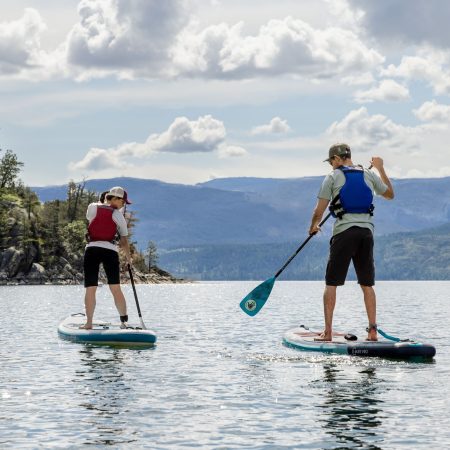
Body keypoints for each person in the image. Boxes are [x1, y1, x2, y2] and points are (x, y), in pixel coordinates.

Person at [308, 143, 394, 341]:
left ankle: (327, 332)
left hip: (344, 234)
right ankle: (372, 332)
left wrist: (314, 226)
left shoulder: (332, 177)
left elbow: (318, 212)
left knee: (331, 283)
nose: (331, 165)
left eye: (331, 161)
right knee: (367, 284)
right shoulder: (369, 174)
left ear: (338, 159)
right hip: (366, 233)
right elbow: (390, 194)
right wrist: (380, 168)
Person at [81, 186, 133, 329]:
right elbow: (123, 240)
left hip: (92, 250)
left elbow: (90, 218)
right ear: (115, 198)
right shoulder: (118, 216)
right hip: (110, 251)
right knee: (115, 288)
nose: (123, 205)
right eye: (123, 202)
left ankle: (89, 323)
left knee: (91, 288)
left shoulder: (92, 207)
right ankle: (124, 322)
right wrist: (129, 259)